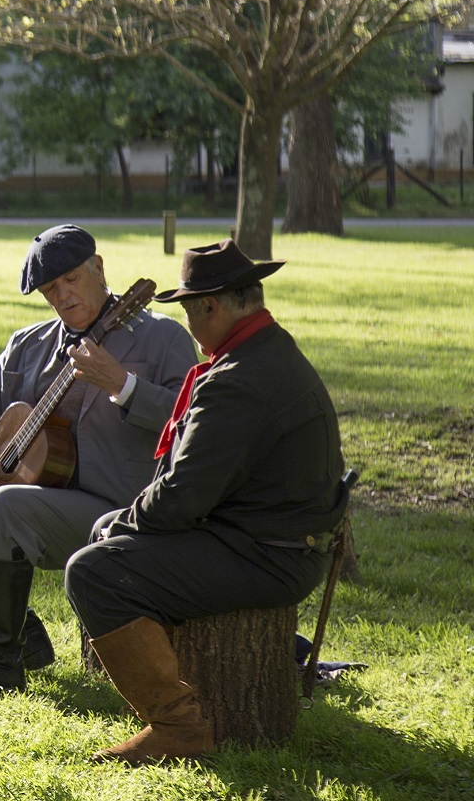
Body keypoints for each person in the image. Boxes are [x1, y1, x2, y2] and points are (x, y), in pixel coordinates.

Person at [65, 240, 346, 764]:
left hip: (268, 555)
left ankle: (178, 727)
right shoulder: (267, 351)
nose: (191, 330)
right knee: (107, 534)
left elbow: (180, 499)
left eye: (191, 315)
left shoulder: (237, 379)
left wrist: (125, 525)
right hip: (273, 540)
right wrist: (122, 523)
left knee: (92, 571)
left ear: (210, 307)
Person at [0, 224, 195, 697]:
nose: (62, 297)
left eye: (71, 281)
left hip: (119, 509)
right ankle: (22, 635)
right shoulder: (27, 345)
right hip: (43, 503)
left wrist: (122, 385)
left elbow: (190, 421)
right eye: (49, 290)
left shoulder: (160, 338)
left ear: (99, 269)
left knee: (3, 509)